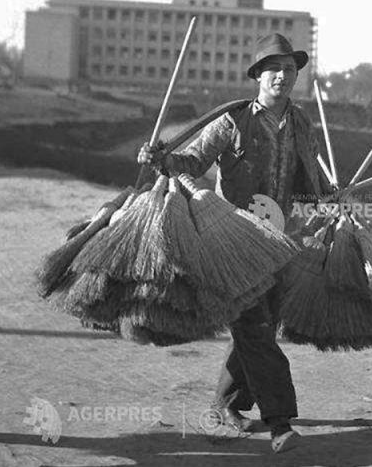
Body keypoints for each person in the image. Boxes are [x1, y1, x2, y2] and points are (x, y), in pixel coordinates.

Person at [138, 33, 331, 453]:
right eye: (273, 69)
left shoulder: (301, 123)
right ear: (258, 76)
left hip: (278, 241)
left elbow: (309, 178)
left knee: (259, 327)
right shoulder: (232, 121)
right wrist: (162, 160)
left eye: (290, 69)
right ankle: (280, 423)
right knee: (256, 327)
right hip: (234, 241)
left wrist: (328, 198)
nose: (282, 76)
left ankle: (225, 402)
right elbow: (191, 162)